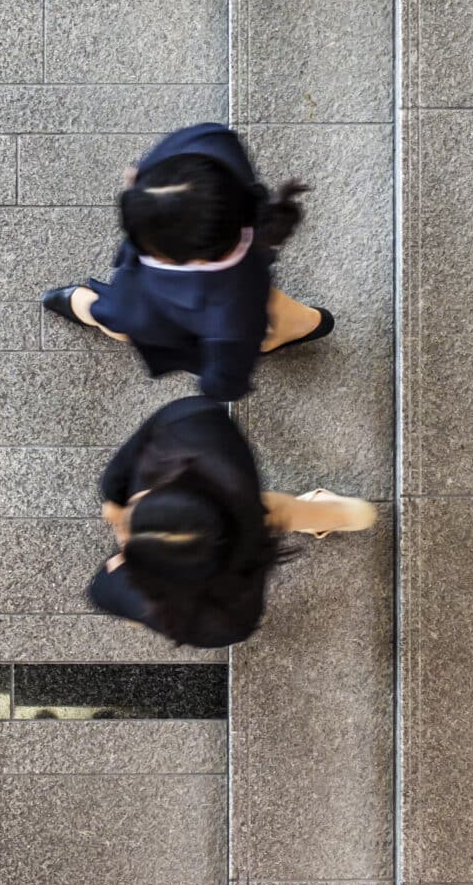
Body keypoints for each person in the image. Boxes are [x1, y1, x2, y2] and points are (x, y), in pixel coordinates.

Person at [42, 123, 333, 403]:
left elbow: (224, 379)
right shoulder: (214, 147)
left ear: (191, 258)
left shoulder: (212, 320)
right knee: (261, 303)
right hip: (246, 281)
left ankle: (84, 305)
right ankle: (306, 322)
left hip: (195, 322)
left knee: (114, 320)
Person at [88, 394, 376, 649]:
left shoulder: (214, 621)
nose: (116, 520)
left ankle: (325, 514)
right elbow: (176, 419)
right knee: (267, 510)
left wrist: (114, 503)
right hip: (231, 492)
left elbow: (100, 591)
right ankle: (329, 513)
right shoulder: (194, 424)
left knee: (103, 588)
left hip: (210, 576)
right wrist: (115, 498)